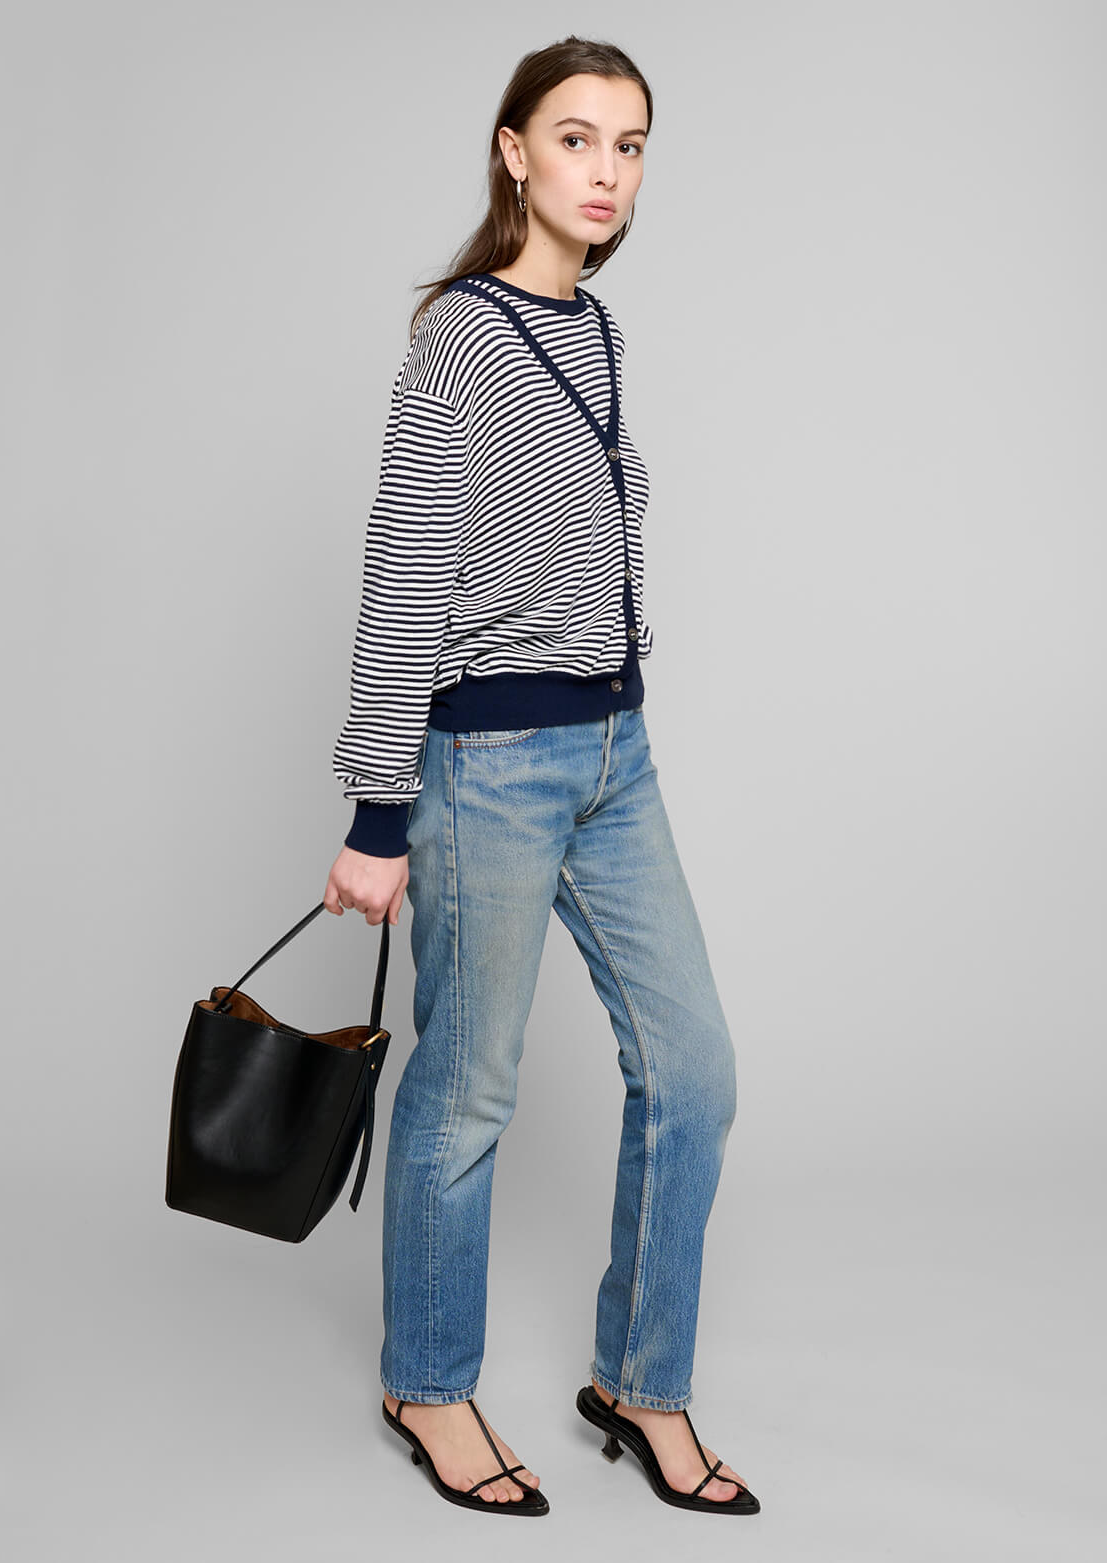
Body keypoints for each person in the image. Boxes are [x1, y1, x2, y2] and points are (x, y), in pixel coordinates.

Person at [322, 35, 759, 1518]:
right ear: (514, 152)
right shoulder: (462, 332)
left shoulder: (597, 328)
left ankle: (640, 1382)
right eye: (577, 139)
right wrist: (379, 812)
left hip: (615, 753)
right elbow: (406, 572)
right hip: (488, 764)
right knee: (467, 1092)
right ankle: (427, 1384)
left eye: (630, 146)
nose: (607, 171)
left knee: (694, 1071)